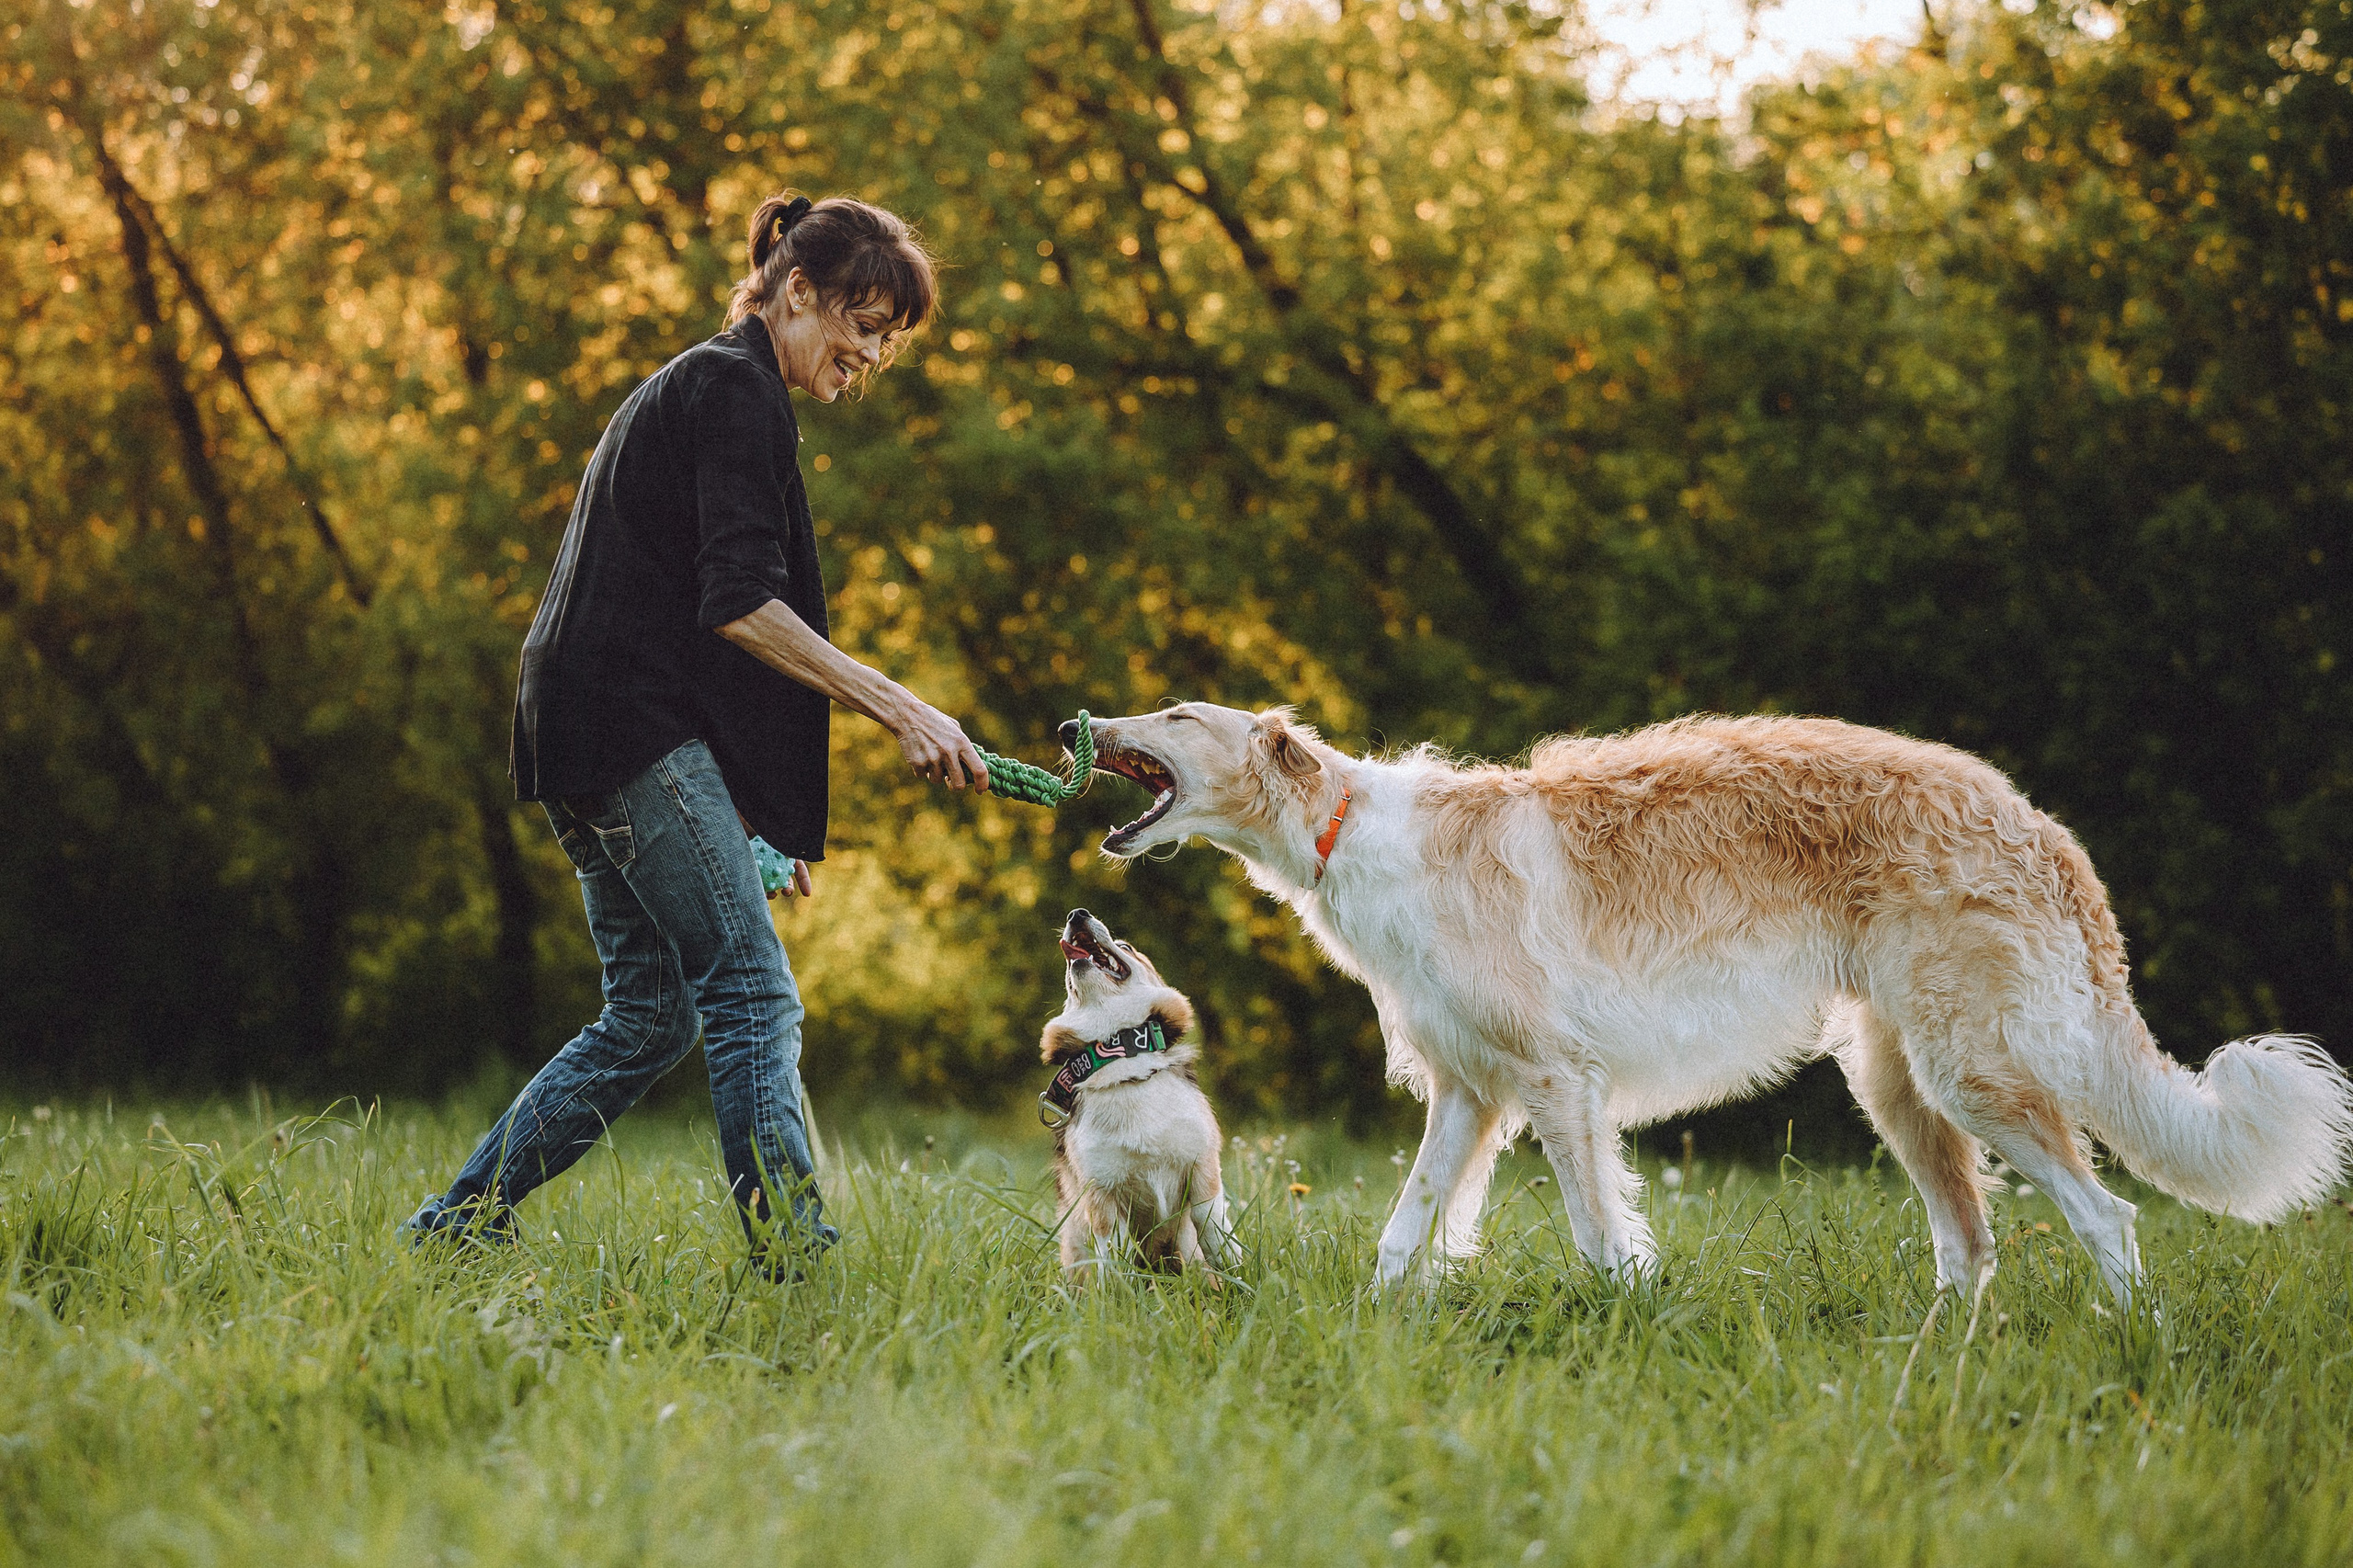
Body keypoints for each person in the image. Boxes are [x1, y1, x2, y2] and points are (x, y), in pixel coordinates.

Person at [405, 192, 987, 1270]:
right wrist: (901, 705)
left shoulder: (715, 383)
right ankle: (794, 1260)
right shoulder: (734, 389)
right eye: (862, 324)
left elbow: (688, 615)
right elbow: (740, 603)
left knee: (650, 1017)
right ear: (797, 290)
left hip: (580, 725)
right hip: (626, 727)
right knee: (752, 992)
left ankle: (457, 1223)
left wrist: (751, 818)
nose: (870, 355)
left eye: (886, 340)